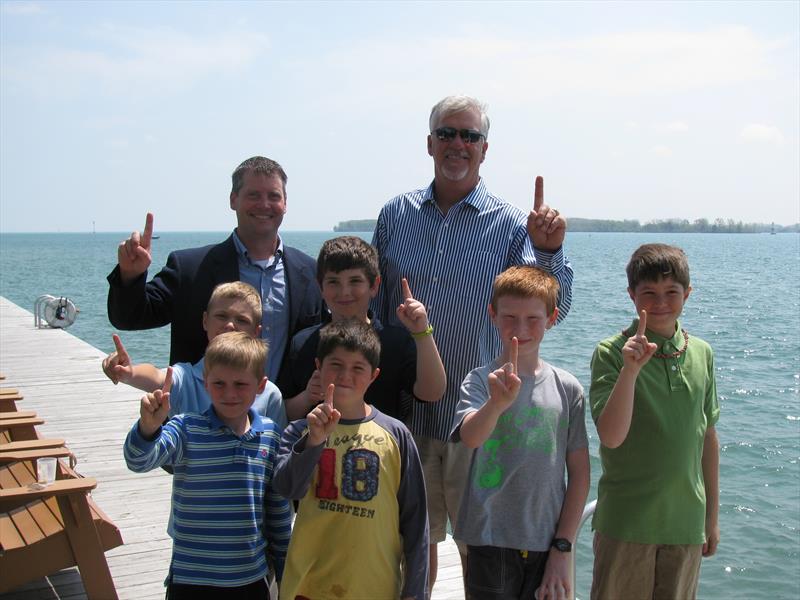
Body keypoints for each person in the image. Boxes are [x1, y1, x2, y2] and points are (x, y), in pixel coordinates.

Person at [371, 94, 575, 587]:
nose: (457, 144)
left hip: (478, 418)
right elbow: (374, 311)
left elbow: (554, 308)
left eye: (470, 136)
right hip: (406, 418)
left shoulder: (508, 224)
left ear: (485, 149)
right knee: (411, 545)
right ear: (429, 143)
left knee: (479, 550)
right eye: (447, 133)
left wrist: (549, 252)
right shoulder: (395, 214)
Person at [107, 156, 322, 380]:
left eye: (274, 196)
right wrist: (131, 276)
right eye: (253, 195)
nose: (264, 204)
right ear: (233, 199)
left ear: (285, 204)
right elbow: (129, 317)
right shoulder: (190, 269)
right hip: (201, 411)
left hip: (285, 412)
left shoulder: (310, 272)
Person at [589, 243, 720, 599]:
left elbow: (707, 436)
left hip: (685, 525)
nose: (660, 302)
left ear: (687, 294)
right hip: (626, 523)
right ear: (631, 295)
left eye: (671, 292)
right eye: (649, 293)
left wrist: (711, 518)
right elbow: (611, 437)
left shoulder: (702, 353)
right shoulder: (611, 352)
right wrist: (630, 371)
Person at [451, 266, 590, 600]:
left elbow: (580, 477)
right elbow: (470, 437)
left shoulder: (567, 388)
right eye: (510, 317)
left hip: (547, 543)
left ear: (552, 318)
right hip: (489, 540)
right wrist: (496, 404)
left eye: (533, 319)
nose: (520, 329)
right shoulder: (480, 380)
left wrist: (563, 546)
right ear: (493, 316)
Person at [123, 331, 292, 598]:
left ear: (260, 386)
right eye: (219, 383)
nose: (229, 393)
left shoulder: (270, 436)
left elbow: (278, 510)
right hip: (190, 578)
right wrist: (148, 427)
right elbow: (138, 460)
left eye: (240, 384)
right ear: (205, 383)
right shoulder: (186, 428)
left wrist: (285, 571)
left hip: (249, 577)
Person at [272, 320, 428, 600]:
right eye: (336, 365)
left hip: (374, 585)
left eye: (358, 368)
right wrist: (314, 443)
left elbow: (416, 523)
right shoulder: (299, 430)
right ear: (318, 366)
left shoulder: (397, 435)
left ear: (374, 375)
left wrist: (415, 592)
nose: (345, 375)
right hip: (308, 585)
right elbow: (287, 488)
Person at [276, 235, 445, 421]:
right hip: (317, 447)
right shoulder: (302, 343)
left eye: (355, 281)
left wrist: (422, 333)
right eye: (333, 282)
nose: (344, 292)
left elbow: (431, 393)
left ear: (374, 285)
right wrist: (307, 397)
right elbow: (283, 412)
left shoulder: (394, 342)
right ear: (320, 287)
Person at [103, 281, 286, 429]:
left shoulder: (269, 394)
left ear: (256, 331)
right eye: (221, 316)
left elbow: (277, 453)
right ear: (205, 321)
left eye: (241, 320)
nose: (230, 325)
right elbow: (158, 377)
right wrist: (130, 373)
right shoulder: (187, 378)